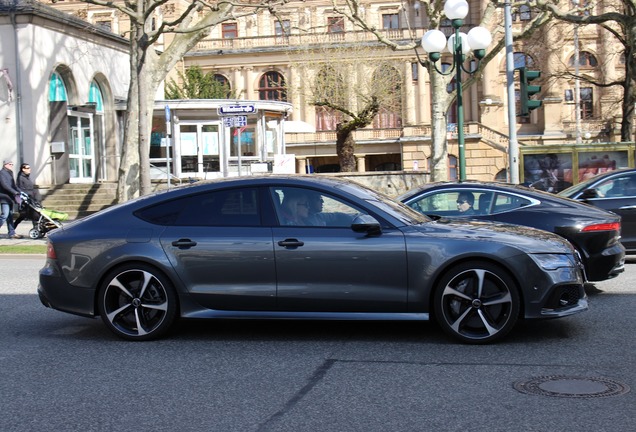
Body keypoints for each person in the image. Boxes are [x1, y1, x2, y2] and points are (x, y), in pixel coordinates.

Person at [14, 163, 41, 230]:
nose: (29, 169)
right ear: (23, 169)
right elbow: (20, 188)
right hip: (26, 199)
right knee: (31, 213)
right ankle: (12, 229)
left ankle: (13, 228)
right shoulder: (20, 178)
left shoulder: (27, 177)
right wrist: (26, 195)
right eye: (28, 168)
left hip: (31, 198)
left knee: (27, 214)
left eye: (29, 168)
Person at [0, 159, 23, 239]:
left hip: (10, 198)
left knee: (10, 217)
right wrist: (14, 192)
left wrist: (20, 191)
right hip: (4, 197)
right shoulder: (2, 173)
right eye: (10, 164)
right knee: (4, 215)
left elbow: (13, 185)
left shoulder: (10, 173)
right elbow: (5, 185)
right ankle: (12, 232)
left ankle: (12, 233)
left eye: (12, 164)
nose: (11, 166)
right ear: (5, 165)